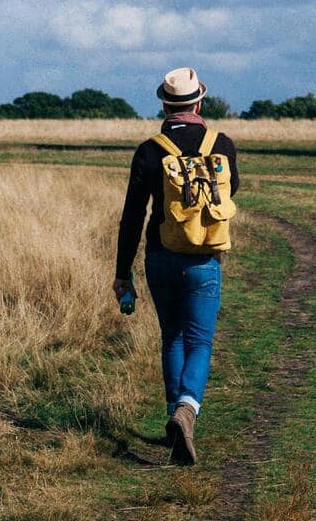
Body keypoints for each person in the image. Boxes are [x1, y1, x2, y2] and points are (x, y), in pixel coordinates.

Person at [113, 66, 240, 465]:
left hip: (160, 256)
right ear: (199, 102)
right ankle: (187, 409)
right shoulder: (223, 145)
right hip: (204, 257)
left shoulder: (149, 150)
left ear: (165, 105)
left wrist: (122, 273)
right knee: (200, 340)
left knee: (172, 337)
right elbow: (229, 191)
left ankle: (174, 418)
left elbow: (132, 217)